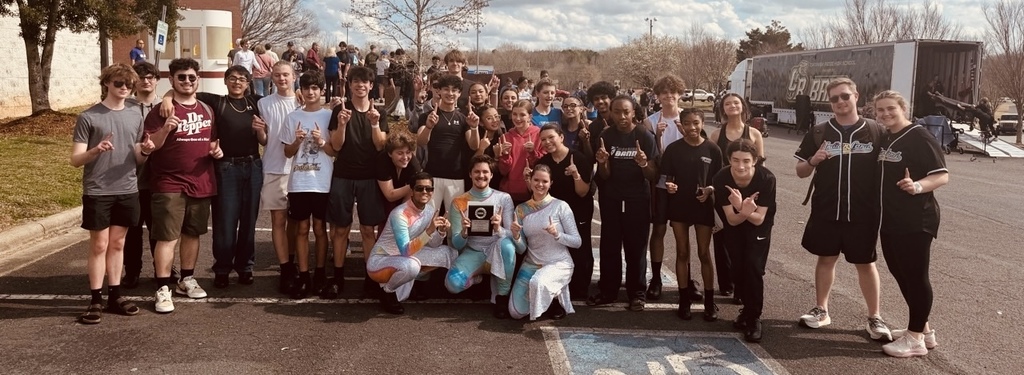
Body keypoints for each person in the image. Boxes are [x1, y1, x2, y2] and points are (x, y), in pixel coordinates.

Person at [793, 78, 892, 341]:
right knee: (826, 259)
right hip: (827, 209)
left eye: (845, 96)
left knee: (866, 263)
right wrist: (813, 160)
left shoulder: (876, 131)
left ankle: (875, 316)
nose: (840, 102)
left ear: (856, 96)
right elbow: (800, 171)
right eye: (834, 98)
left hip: (863, 212)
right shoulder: (819, 132)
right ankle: (821, 309)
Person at [165, 66, 264, 289]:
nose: (237, 82)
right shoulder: (216, 102)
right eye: (232, 78)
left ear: (248, 83)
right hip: (226, 167)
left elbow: (281, 100)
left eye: (242, 79)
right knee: (225, 221)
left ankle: (245, 267)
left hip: (253, 166)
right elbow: (184, 91)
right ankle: (222, 268)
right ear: (225, 81)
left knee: (249, 220)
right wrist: (166, 98)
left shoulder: (256, 102)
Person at [70, 63, 151, 324]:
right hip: (98, 190)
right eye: (118, 83)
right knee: (99, 245)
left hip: (127, 188)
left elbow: (137, 156)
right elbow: (75, 160)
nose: (124, 88)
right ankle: (95, 299)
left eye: (129, 84)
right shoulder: (89, 116)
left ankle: (115, 295)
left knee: (117, 244)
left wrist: (146, 150)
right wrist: (96, 150)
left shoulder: (135, 115)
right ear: (106, 83)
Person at [143, 58, 223, 313]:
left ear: (198, 79)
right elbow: (151, 145)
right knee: (167, 237)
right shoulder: (160, 110)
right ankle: (162, 288)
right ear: (171, 80)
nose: (187, 81)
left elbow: (212, 141)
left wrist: (216, 151)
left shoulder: (207, 109)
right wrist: (166, 129)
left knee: (192, 233)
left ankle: (186, 279)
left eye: (191, 77)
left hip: (201, 181)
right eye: (181, 77)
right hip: (169, 183)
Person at [873, 90, 949, 358]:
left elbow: (941, 176)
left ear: (903, 108)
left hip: (917, 219)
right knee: (900, 272)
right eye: (880, 110)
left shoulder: (920, 136)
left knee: (916, 277)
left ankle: (915, 339)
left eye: (890, 108)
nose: (885, 114)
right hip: (891, 218)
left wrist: (916, 186)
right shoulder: (886, 137)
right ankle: (923, 330)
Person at [587, 95, 659, 311]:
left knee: (636, 247)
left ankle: (637, 293)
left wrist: (643, 163)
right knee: (610, 245)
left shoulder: (644, 136)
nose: (622, 116)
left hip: (637, 199)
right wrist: (603, 162)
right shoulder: (606, 135)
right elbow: (605, 175)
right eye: (617, 112)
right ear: (611, 113)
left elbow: (653, 175)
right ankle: (608, 290)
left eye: (626, 112)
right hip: (612, 198)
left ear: (633, 112)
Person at [326, 65, 390, 297]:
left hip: (369, 177)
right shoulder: (340, 111)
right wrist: (342, 124)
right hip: (343, 175)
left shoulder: (379, 113)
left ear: (371, 86)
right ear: (350, 85)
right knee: (341, 230)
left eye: (365, 82)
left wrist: (374, 123)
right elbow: (336, 146)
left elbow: (381, 145)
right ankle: (338, 277)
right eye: (356, 81)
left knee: (367, 230)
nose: (360, 85)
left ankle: (370, 278)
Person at [643, 74, 701, 303]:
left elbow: (698, 149)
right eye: (664, 93)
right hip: (660, 184)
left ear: (680, 94)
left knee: (683, 234)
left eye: (673, 92)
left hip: (684, 186)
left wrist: (685, 132)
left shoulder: (688, 119)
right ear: (657, 96)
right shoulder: (650, 121)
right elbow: (652, 157)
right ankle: (656, 279)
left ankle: (687, 279)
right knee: (658, 231)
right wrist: (657, 136)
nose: (669, 96)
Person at [661, 109, 723, 320]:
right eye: (687, 123)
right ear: (681, 125)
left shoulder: (713, 149)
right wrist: (669, 185)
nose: (692, 127)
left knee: (704, 254)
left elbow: (719, 180)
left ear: (703, 123)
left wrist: (710, 190)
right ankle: (684, 300)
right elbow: (667, 178)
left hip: (703, 206)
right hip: (679, 206)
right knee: (682, 253)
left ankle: (709, 302)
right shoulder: (673, 149)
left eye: (696, 123)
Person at [713, 139, 776, 343]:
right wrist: (743, 210)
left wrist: (742, 207)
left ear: (755, 160)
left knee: (753, 267)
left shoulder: (766, 179)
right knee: (737, 268)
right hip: (736, 225)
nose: (740, 166)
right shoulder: (721, 178)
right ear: (728, 159)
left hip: (758, 227)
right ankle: (747, 311)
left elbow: (759, 219)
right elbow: (731, 219)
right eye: (735, 160)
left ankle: (754, 318)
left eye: (746, 161)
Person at [368, 172, 458, 314]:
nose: (424, 192)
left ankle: (412, 282)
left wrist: (440, 231)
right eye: (419, 188)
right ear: (411, 191)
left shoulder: (429, 211)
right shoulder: (400, 214)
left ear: (432, 191)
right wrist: (429, 230)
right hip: (381, 261)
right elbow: (406, 251)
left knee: (448, 253)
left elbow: (434, 245)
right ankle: (387, 292)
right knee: (412, 265)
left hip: (405, 257)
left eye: (428, 189)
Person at [280, 70, 333, 299]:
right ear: (300, 90)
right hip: (299, 183)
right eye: (306, 88)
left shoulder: (329, 116)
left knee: (320, 229)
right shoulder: (293, 117)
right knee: (301, 229)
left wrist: (321, 141)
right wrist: (297, 141)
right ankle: (303, 275)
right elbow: (287, 152)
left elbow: (335, 150)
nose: (310, 92)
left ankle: (320, 273)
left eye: (315, 88)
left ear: (322, 91)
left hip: (322, 183)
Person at [445, 155, 517, 318]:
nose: (481, 175)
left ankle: (502, 297)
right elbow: (456, 244)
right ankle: (476, 278)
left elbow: (512, 235)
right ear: (470, 174)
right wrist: (464, 232)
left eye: (485, 172)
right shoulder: (459, 202)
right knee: (453, 284)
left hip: (497, 250)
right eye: (477, 171)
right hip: (473, 251)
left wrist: (499, 229)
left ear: (491, 175)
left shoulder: (503, 198)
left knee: (507, 246)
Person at [507, 164, 581, 320]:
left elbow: (577, 242)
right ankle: (547, 295)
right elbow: (521, 249)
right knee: (516, 312)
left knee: (538, 283)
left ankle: (556, 295)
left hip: (558, 263)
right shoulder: (520, 209)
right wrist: (516, 236)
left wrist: (557, 234)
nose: (540, 184)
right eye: (536, 180)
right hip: (532, 263)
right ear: (530, 180)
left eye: (545, 181)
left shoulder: (561, 206)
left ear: (551, 183)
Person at [709, 92, 764, 299]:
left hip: (749, 193)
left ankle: (742, 285)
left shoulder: (754, 133)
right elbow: (713, 165)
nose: (732, 106)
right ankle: (726, 283)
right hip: (724, 192)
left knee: (745, 239)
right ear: (723, 109)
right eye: (727, 104)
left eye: (736, 103)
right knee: (723, 239)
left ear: (742, 106)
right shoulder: (717, 134)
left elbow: (761, 163)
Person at [257, 61, 301, 295]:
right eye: (277, 75)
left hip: (301, 170)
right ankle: (285, 269)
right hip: (274, 167)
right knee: (278, 221)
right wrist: (259, 131)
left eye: (286, 74)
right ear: (271, 78)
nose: (282, 79)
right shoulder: (263, 103)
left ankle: (294, 262)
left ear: (294, 76)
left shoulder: (303, 101)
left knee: (297, 221)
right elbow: (264, 140)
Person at [535, 124, 594, 299]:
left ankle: (580, 288)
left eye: (551, 137)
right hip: (554, 213)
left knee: (580, 248)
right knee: (557, 247)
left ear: (561, 137)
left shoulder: (579, 158)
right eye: (543, 139)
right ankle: (559, 285)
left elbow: (583, 192)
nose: (547, 142)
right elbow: (539, 192)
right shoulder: (543, 163)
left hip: (578, 210)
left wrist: (576, 175)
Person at [122, 62, 163, 289]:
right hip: (132, 180)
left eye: (150, 77)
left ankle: (162, 269)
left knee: (159, 230)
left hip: (160, 181)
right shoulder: (124, 106)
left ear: (157, 80)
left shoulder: (166, 106)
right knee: (132, 230)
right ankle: (132, 271)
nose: (146, 81)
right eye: (141, 77)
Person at [417, 74, 481, 211]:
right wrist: (429, 127)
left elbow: (474, 145)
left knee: (456, 217)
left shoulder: (464, 119)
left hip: (456, 177)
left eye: (454, 90)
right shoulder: (428, 116)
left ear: (459, 93)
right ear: (439, 91)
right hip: (432, 175)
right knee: (429, 216)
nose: (450, 93)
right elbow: (421, 141)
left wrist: (474, 127)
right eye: (446, 89)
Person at [496, 99, 544, 204]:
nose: (518, 118)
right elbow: (503, 171)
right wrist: (505, 156)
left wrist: (533, 153)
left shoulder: (540, 135)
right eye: (515, 114)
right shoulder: (506, 137)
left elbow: (543, 165)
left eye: (522, 115)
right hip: (509, 192)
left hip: (533, 191)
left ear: (530, 117)